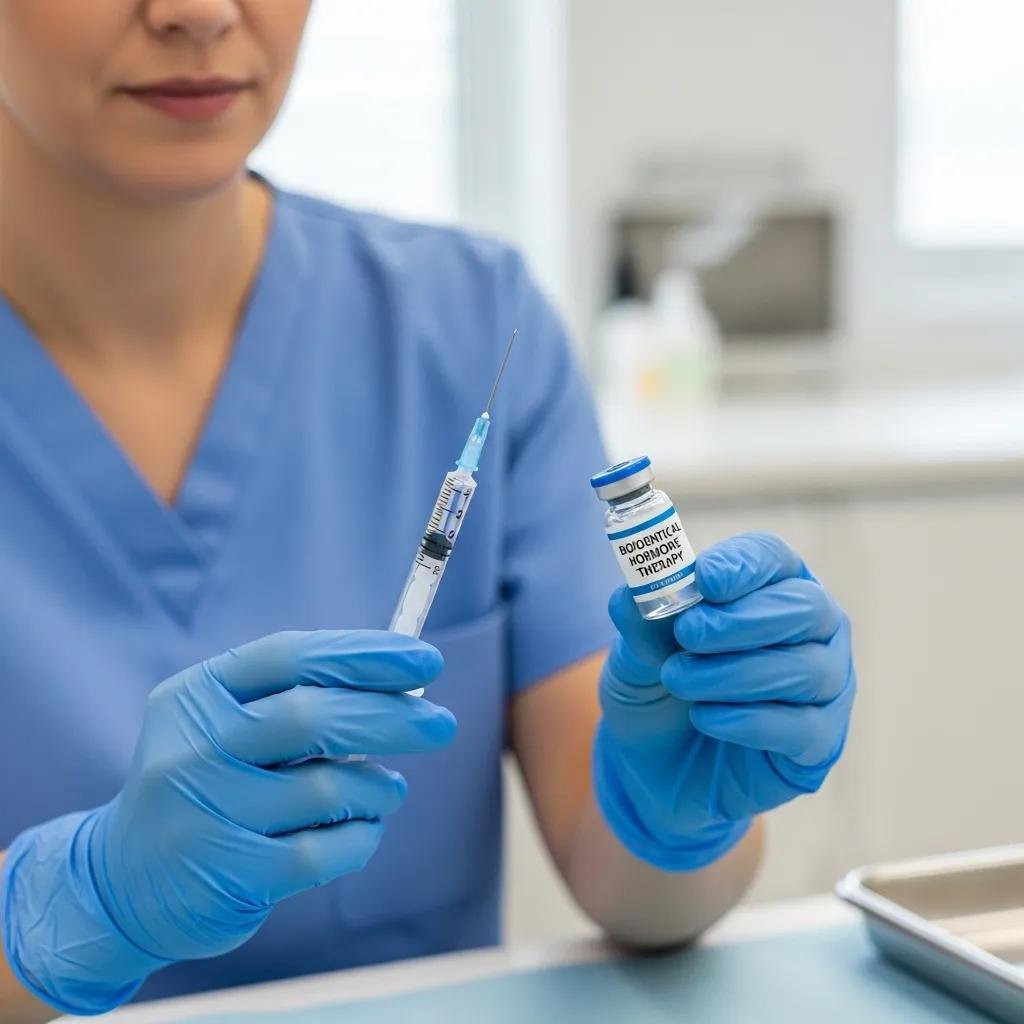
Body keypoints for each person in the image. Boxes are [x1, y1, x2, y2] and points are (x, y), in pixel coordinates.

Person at [0, 2, 856, 1018]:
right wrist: (76, 902)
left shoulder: (464, 320)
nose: (199, 12)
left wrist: (681, 817)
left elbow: (638, 893)